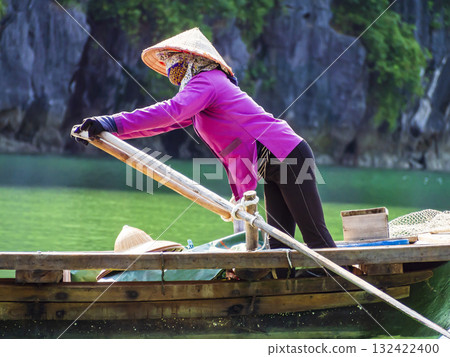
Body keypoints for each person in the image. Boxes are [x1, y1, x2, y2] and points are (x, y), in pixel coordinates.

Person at [73, 27, 336, 251]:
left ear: (190, 59)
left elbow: (170, 111)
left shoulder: (207, 82)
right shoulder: (200, 99)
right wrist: (108, 129)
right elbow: (168, 127)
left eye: (172, 61)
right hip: (272, 165)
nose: (170, 69)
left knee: (315, 237)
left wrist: (111, 121)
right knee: (278, 247)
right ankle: (281, 296)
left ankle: (336, 283)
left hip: (288, 154)